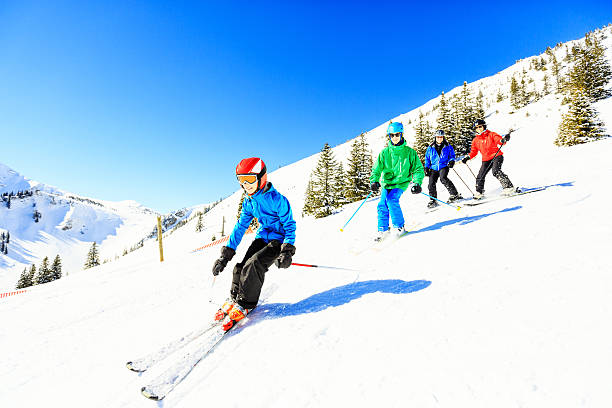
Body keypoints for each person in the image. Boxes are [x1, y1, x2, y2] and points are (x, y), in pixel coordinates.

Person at [211, 157, 296, 331]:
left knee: (254, 264)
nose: (245, 184)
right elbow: (240, 227)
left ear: (261, 177)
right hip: (262, 237)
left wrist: (286, 251)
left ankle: (246, 303)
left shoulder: (277, 199)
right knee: (241, 266)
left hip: (278, 241)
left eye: (249, 179)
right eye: (241, 180)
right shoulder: (249, 201)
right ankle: (235, 297)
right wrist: (226, 253)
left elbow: (289, 225)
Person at [370, 122, 424, 241]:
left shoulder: (410, 152)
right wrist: (374, 181)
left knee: (391, 200)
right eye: (392, 135)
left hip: (401, 182)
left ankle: (400, 227)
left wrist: (417, 183)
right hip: (387, 183)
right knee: (382, 204)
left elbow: (418, 169)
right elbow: (376, 169)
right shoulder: (385, 153)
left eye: (397, 134)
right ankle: (383, 230)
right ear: (389, 136)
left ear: (402, 134)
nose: (395, 137)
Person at [461, 119, 515, 199]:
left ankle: (509, 187)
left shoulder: (491, 134)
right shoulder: (475, 140)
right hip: (486, 159)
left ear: (484, 126)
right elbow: (473, 152)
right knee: (480, 176)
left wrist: (503, 140)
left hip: (497, 156)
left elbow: (499, 141)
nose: (479, 129)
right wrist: (468, 157)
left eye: (480, 126)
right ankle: (479, 192)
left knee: (496, 171)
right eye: (476, 127)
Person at [424, 130, 462, 208]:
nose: (439, 138)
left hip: (443, 166)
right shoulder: (430, 147)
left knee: (443, 178)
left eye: (441, 137)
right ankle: (433, 200)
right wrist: (426, 167)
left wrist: (451, 161)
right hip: (433, 168)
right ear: (435, 137)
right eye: (438, 137)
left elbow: (452, 155)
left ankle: (454, 194)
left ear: (443, 137)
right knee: (431, 183)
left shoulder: (447, 146)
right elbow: (427, 158)